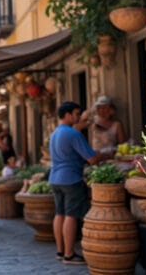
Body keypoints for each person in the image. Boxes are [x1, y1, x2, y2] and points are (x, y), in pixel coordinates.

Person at [50, 101, 109, 266]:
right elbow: (91, 158)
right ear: (68, 115)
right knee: (71, 216)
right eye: (76, 114)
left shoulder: (55, 133)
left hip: (55, 179)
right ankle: (69, 255)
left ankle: (60, 251)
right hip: (70, 179)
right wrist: (108, 154)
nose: (78, 117)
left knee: (59, 214)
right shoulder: (72, 134)